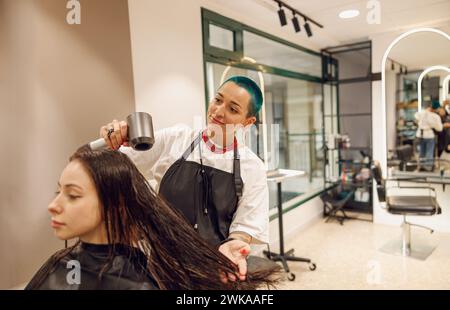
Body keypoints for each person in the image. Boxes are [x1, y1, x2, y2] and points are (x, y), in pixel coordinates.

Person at [26, 147, 279, 290]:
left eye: (72, 195)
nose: (53, 205)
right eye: (58, 191)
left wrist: (234, 241)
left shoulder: (251, 166)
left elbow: (249, 217)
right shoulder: (180, 140)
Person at [100, 76, 269, 280]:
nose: (219, 111)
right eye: (218, 100)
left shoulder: (252, 167)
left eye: (233, 109)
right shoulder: (176, 139)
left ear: (248, 122)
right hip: (160, 263)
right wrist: (113, 138)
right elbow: (118, 164)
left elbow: (246, 224)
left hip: (216, 269)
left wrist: (235, 244)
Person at [415, 100, 443, 171]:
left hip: (420, 135)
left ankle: (421, 167)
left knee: (421, 152)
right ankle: (427, 168)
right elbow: (439, 128)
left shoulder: (422, 113)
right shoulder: (435, 116)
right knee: (429, 153)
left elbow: (416, 116)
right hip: (429, 136)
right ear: (437, 109)